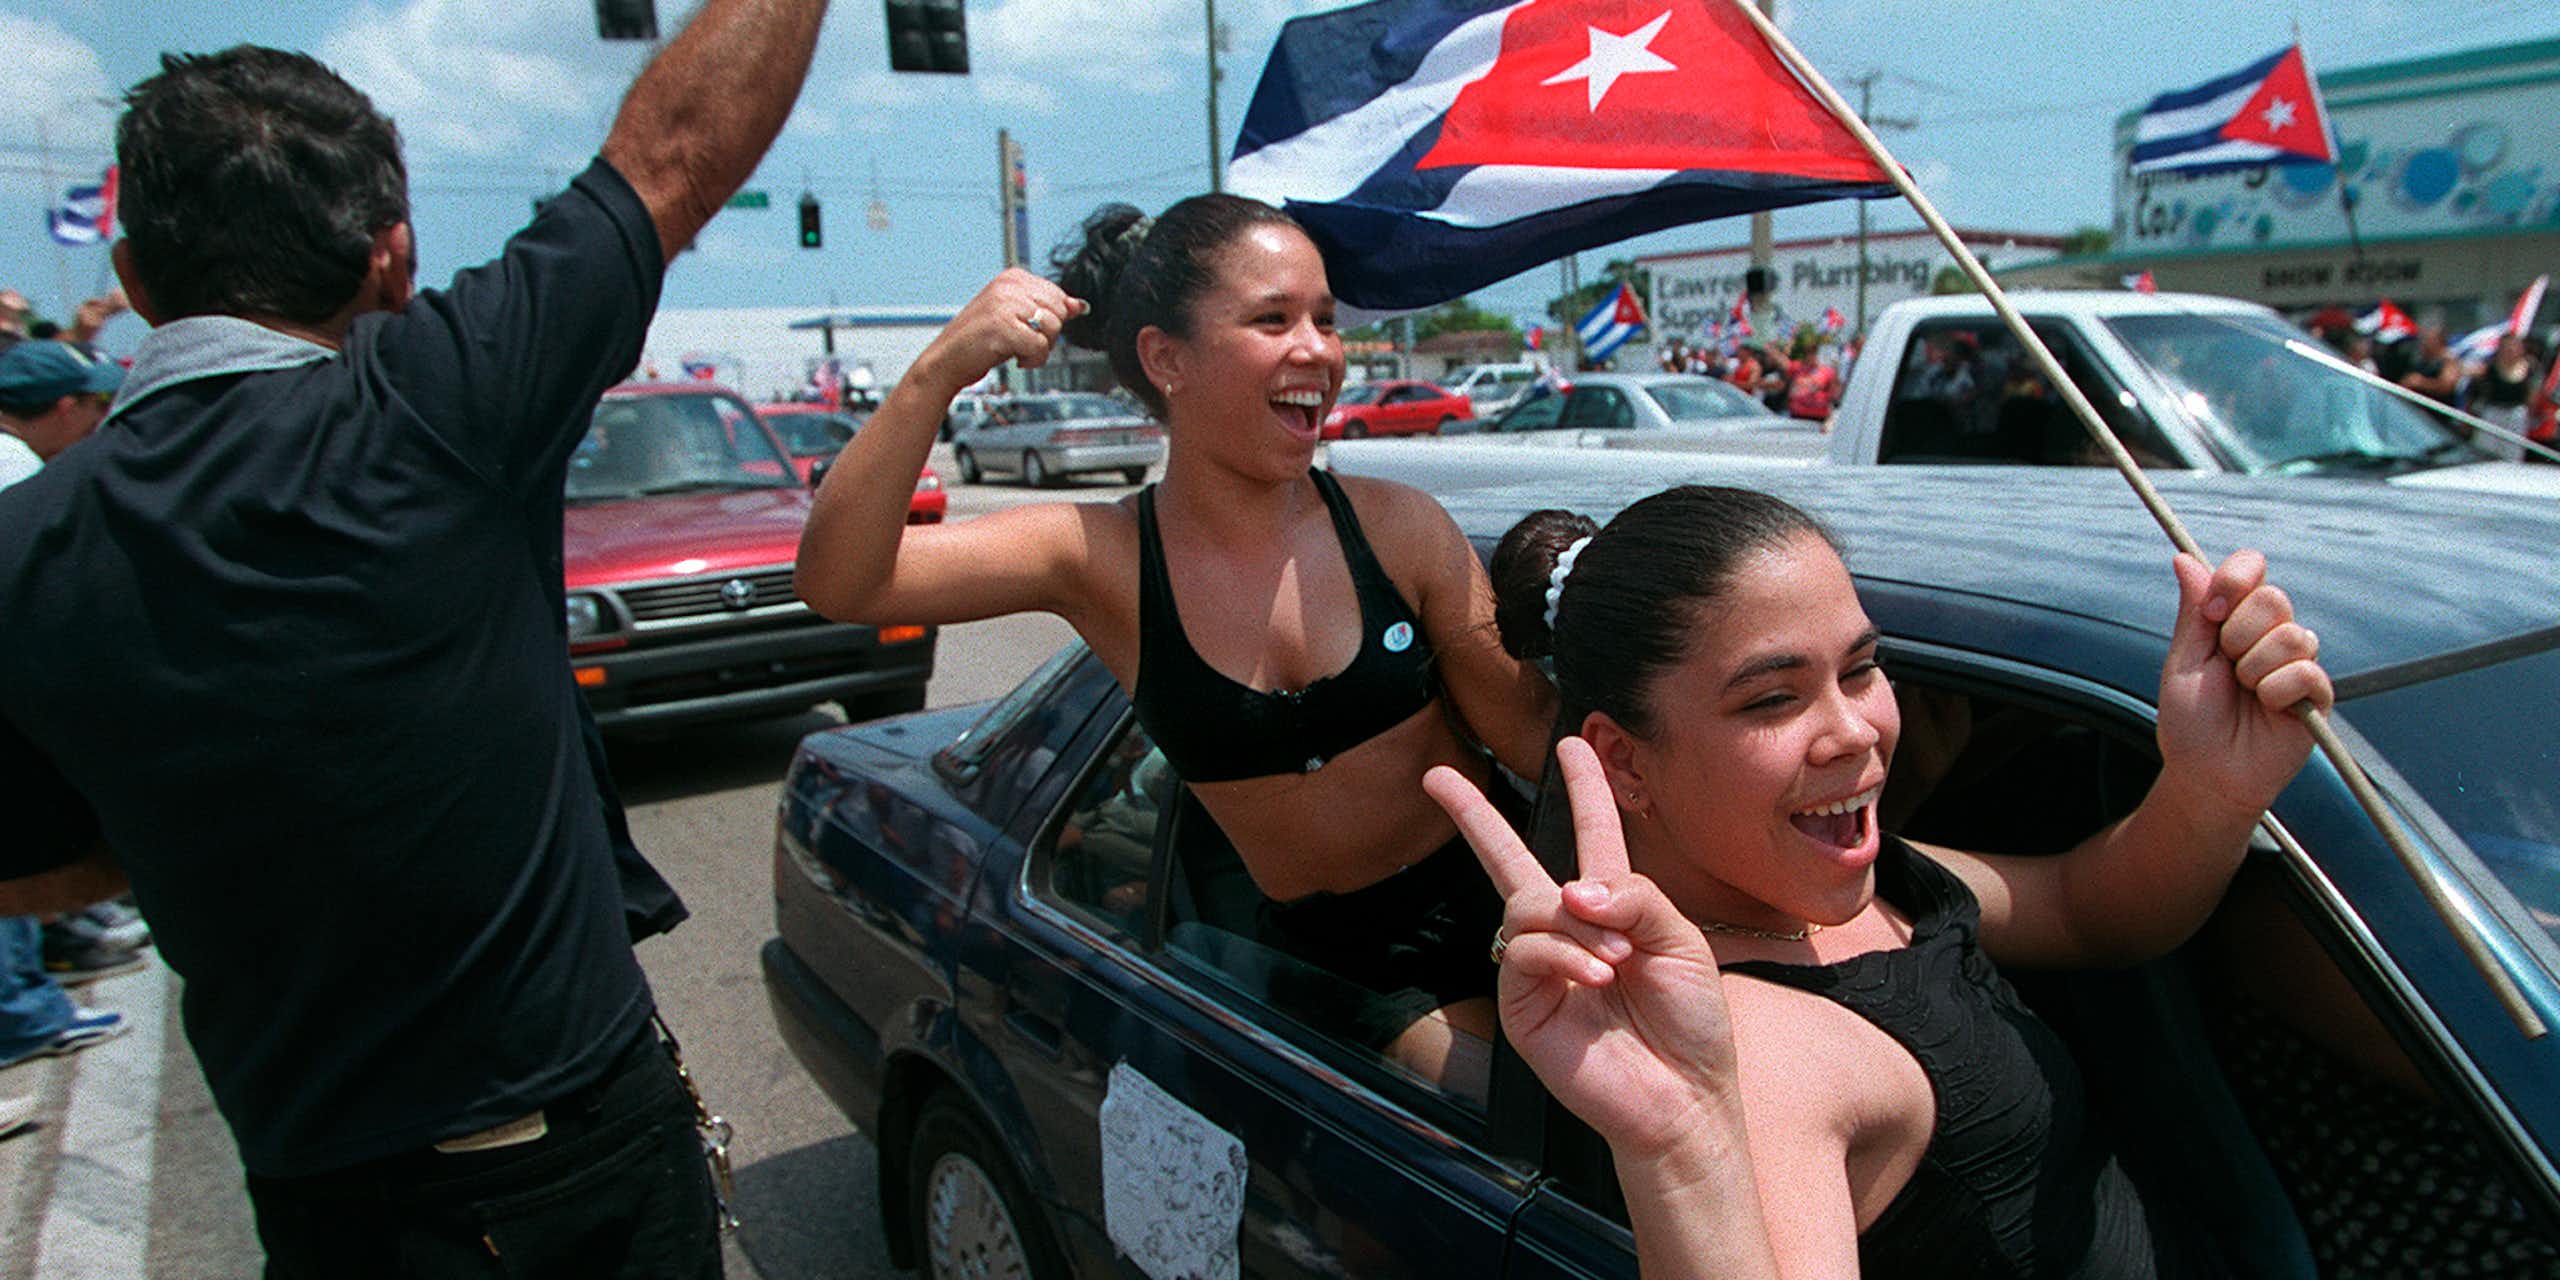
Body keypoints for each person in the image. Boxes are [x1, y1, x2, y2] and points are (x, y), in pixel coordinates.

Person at [0, 4, 833, 1274]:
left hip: (324, 1194)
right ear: (392, 258)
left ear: (132, 280)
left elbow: (35, 869)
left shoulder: (25, 545)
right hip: (577, 1163)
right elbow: (673, 154)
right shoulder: (440, 401)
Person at [1423, 484, 2331, 1278]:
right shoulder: (1753, 1051)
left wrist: (2215, 784)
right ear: (1622, 761)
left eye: (1859, 669)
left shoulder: (1840, 880)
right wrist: (1686, 1145)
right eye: (1773, 699)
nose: (1855, 731)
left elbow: (2090, 909)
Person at [796, 196, 1556, 1078]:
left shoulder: (1400, 528)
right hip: (1342, 970)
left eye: (1324, 319)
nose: (1316, 348)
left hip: (1511, 896)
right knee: (1502, 1112)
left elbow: (1535, 737)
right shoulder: (1096, 557)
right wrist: (937, 371)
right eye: (1272, 319)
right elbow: (841, 581)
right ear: (1167, 358)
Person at [2467, 332, 2534, 461]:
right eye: (2506, 346)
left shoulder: (2529, 368)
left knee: (2513, 452)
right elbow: (2474, 392)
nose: (2510, 350)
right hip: (2493, 412)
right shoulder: (2489, 368)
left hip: (2516, 414)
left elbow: (2531, 396)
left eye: (2514, 346)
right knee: (2486, 449)